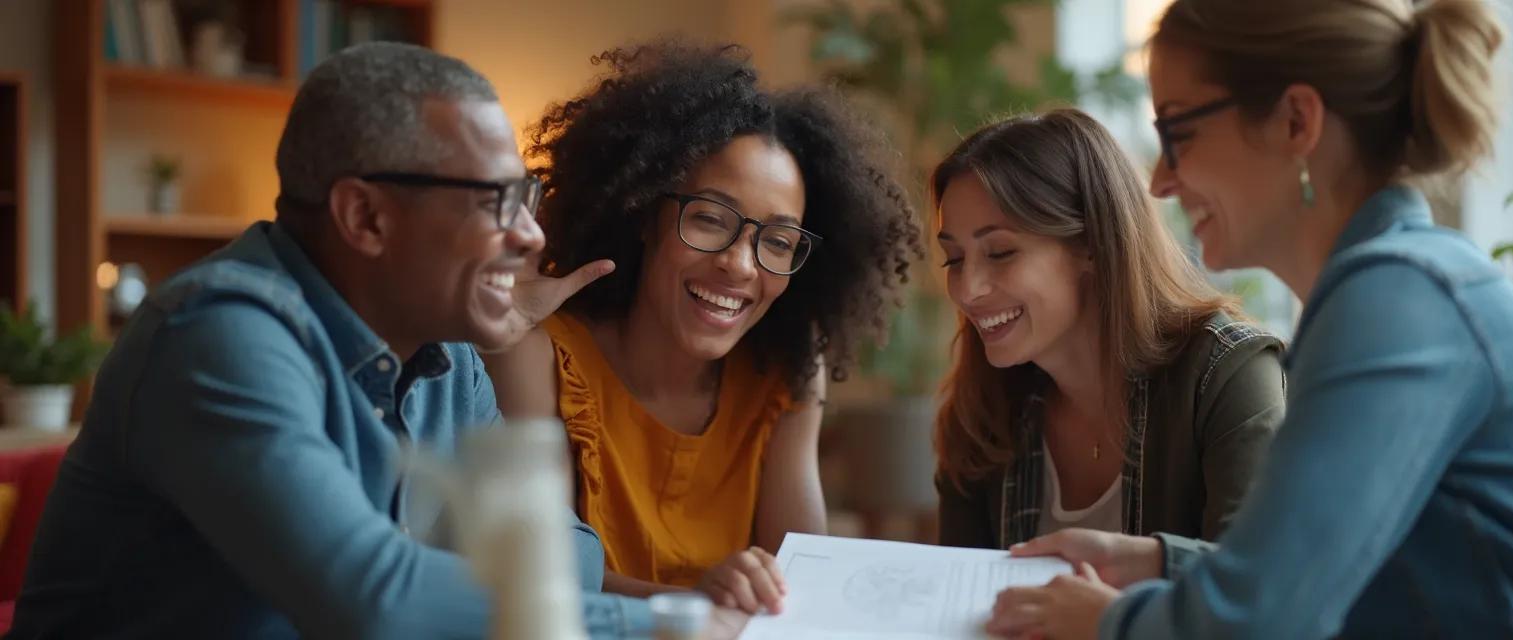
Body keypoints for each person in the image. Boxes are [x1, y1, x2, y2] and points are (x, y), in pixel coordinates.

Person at [10, 43, 745, 639]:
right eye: (497, 202)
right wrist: (666, 621)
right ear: (365, 218)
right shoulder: (218, 335)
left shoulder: (447, 356)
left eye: (528, 196)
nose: (531, 235)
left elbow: (564, 560)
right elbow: (374, 600)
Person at [991, 0, 1513, 638]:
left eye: (1177, 133)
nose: (1161, 181)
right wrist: (1162, 563)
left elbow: (1258, 623)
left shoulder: (1399, 299)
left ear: (1295, 122)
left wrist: (1108, 622)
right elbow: (1338, 572)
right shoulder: (1399, 287)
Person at [485, 40, 925, 614]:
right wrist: (695, 605)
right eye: (711, 220)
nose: (740, 265)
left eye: (778, 241)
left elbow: (800, 587)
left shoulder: (786, 371)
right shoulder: (538, 360)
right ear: (645, 215)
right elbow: (531, 582)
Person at [932, 109, 1285, 551]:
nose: (968, 289)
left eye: (1000, 252)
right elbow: (951, 601)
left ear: (1093, 245)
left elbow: (1256, 584)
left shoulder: (1228, 377)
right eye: (955, 259)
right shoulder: (981, 414)